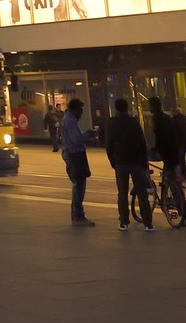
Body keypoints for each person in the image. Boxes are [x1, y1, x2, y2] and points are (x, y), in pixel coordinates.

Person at [105, 97, 154, 232]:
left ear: (116, 108)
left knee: (122, 193)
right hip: (136, 161)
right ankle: (148, 223)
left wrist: (112, 161)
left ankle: (124, 221)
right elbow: (142, 142)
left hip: (120, 161)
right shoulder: (133, 122)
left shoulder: (112, 123)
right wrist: (144, 162)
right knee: (142, 192)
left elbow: (108, 144)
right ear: (127, 108)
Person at [148, 97, 186, 226]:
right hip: (174, 154)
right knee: (176, 184)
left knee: (172, 183)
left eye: (150, 105)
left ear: (154, 106)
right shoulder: (168, 118)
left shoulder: (157, 120)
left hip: (168, 155)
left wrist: (155, 150)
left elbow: (159, 138)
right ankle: (184, 214)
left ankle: (182, 213)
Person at [59, 97, 96, 226]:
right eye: (80, 110)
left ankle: (77, 214)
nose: (81, 113)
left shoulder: (69, 120)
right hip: (74, 155)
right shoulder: (70, 122)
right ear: (74, 109)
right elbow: (76, 140)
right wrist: (88, 134)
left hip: (73, 155)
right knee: (79, 186)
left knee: (79, 185)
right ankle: (78, 215)